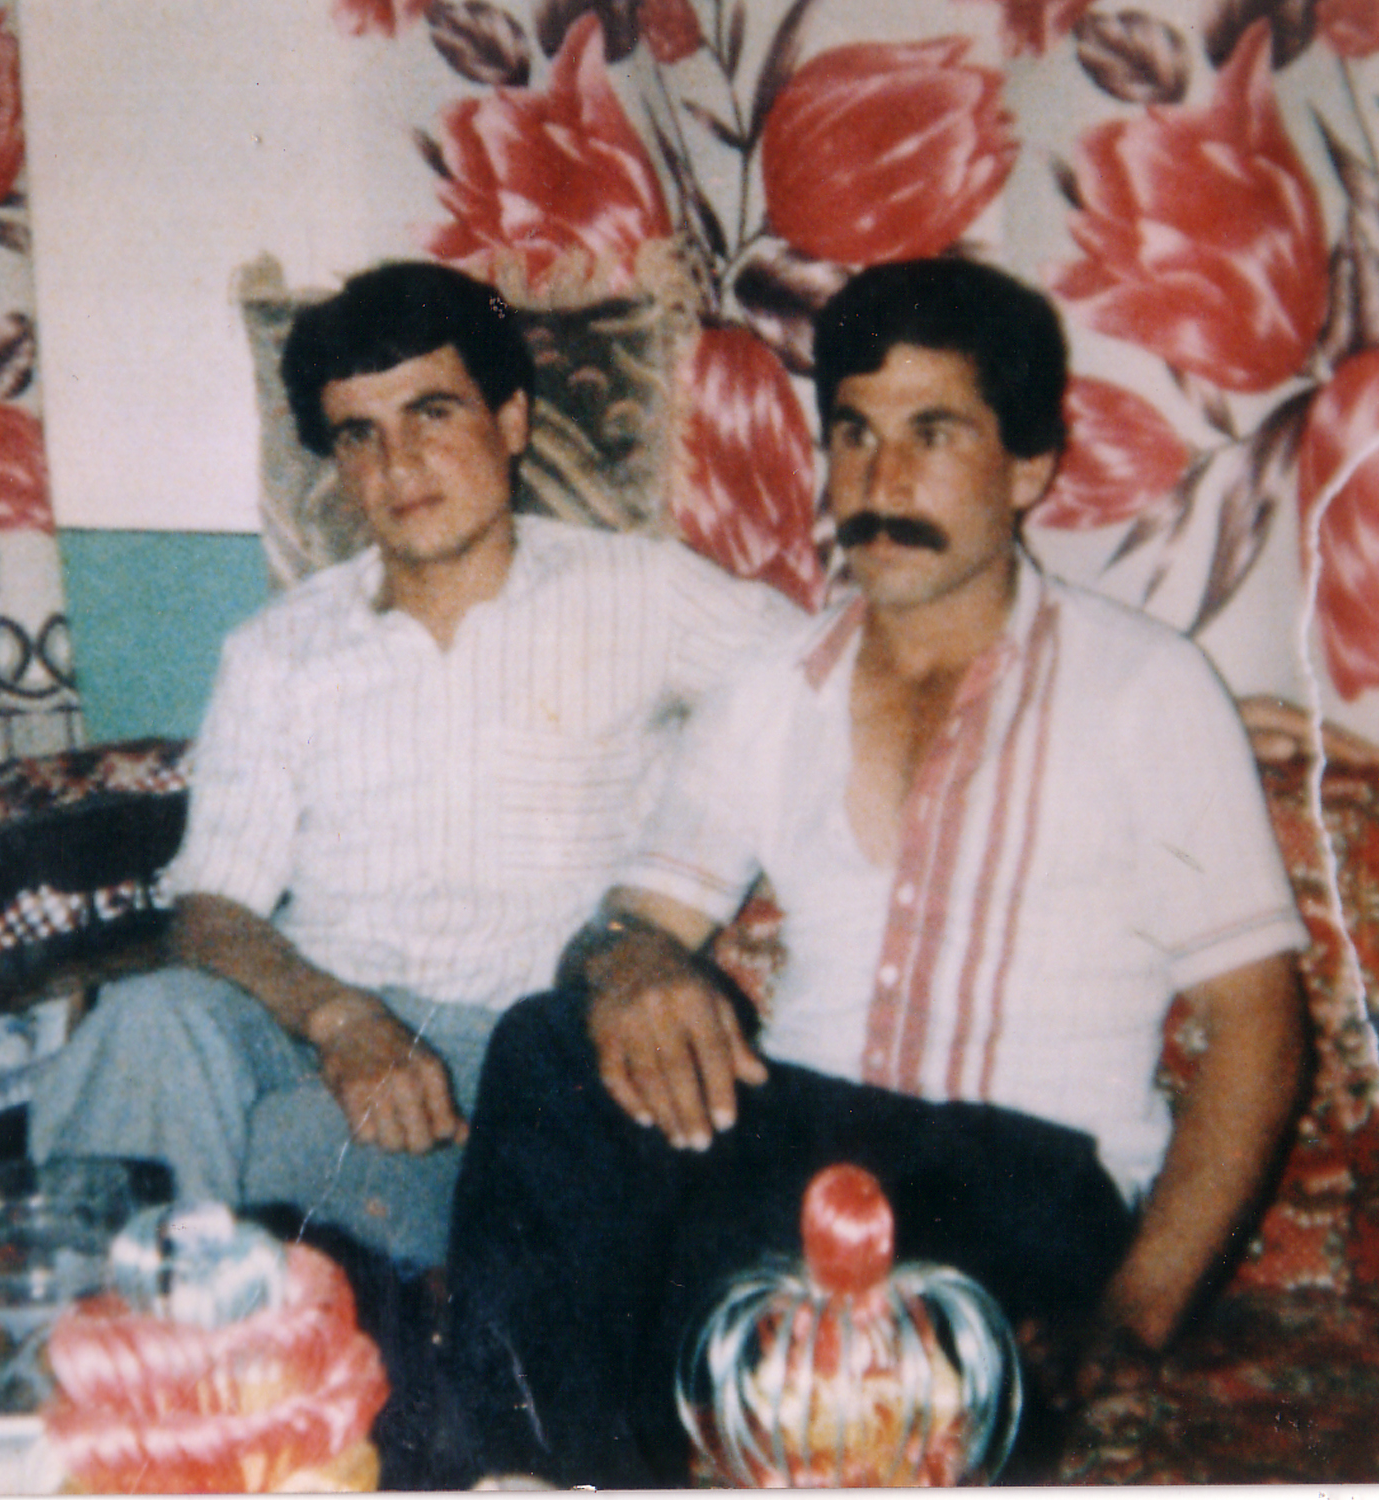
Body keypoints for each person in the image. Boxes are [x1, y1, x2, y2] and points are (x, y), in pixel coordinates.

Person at [442, 258, 1310, 1486]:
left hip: (1020, 1176)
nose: (881, 482)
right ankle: (536, 1473)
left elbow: (1258, 1028)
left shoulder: (1144, 689)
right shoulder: (767, 689)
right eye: (853, 434)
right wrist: (628, 963)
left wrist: (1133, 1315)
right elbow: (626, 921)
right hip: (803, 1140)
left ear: (1028, 467)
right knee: (547, 1044)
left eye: (931, 434)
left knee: (753, 1296)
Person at [27, 261, 799, 1271]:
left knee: (258, 1177)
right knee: (145, 1020)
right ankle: (95, 1339)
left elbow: (825, 687)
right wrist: (340, 1018)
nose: (399, 464)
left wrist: (672, 902)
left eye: (432, 414)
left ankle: (121, 1323)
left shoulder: (641, 594)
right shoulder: (278, 650)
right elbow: (210, 911)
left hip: (507, 1061)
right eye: (360, 435)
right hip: (309, 1023)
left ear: (511, 421)